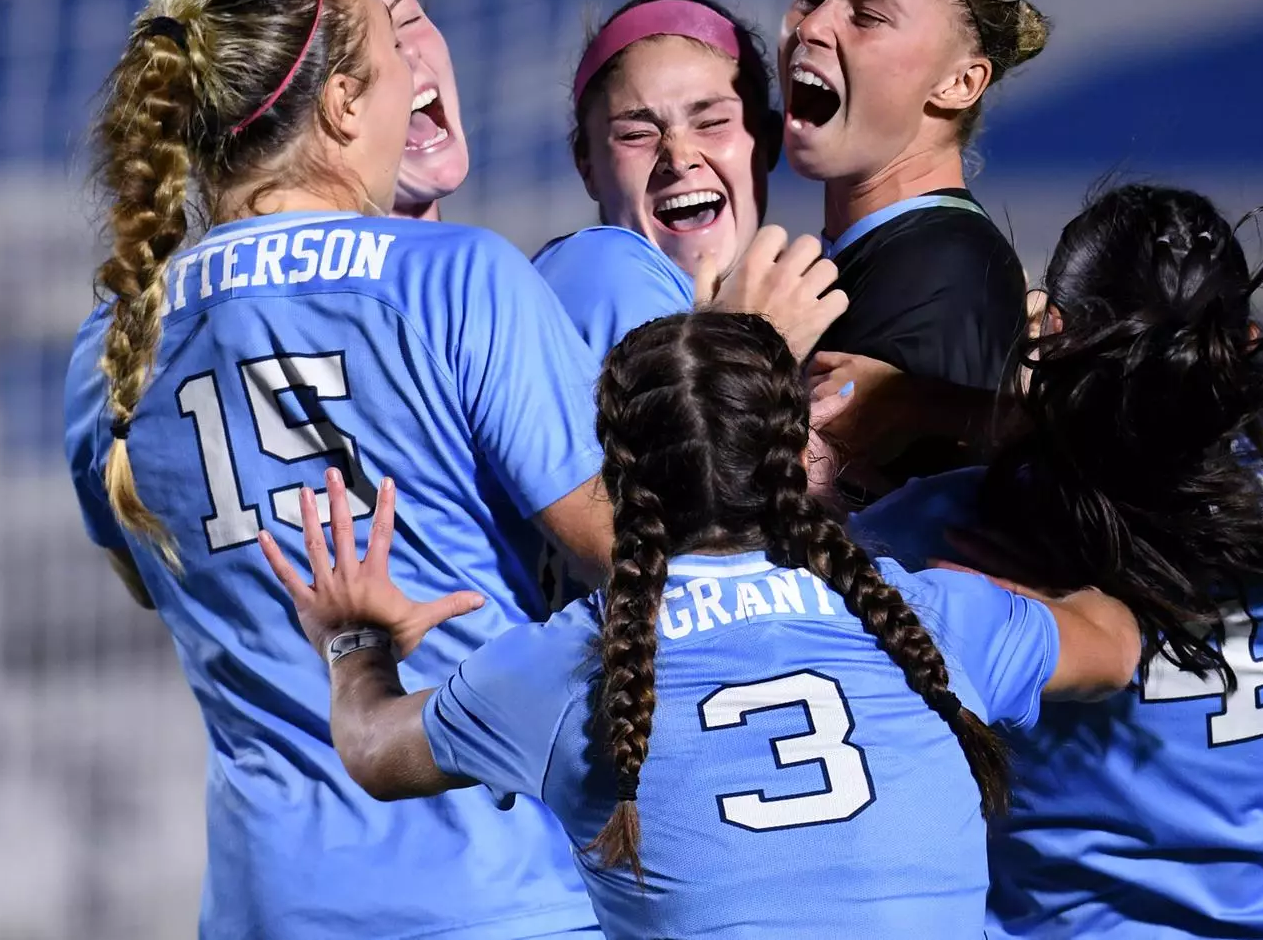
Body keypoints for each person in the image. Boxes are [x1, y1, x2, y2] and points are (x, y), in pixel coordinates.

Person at [63, 0, 616, 938]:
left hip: (271, 905)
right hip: (491, 897)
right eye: (396, 53)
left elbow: (153, 577)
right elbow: (637, 549)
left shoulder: (109, 352)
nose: (418, 77)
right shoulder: (455, 279)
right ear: (344, 102)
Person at [262, 312, 1141, 938]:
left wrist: (354, 641)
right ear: (802, 455)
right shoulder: (935, 616)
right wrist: (999, 490)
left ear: (616, 477)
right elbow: (1117, 643)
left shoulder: (567, 663)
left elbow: (372, 747)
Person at [852, 183, 1263, 938]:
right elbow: (1154, 439)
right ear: (1243, 344)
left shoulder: (953, 523)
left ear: (1054, 332)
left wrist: (904, 407)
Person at [781, 0, 1057, 495]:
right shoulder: (878, 256)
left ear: (959, 83)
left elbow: (842, 540)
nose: (811, 26)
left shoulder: (942, 269)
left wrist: (741, 350)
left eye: (868, 14)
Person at [535, 0, 841, 359]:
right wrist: (757, 344)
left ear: (769, 141)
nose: (679, 158)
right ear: (587, 167)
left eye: (712, 123)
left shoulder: (802, 314)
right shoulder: (601, 271)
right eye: (637, 134)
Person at [168, 0, 467, 221]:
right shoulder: (479, 252)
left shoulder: (487, 253)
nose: (406, 49)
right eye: (368, 39)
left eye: (409, 19)